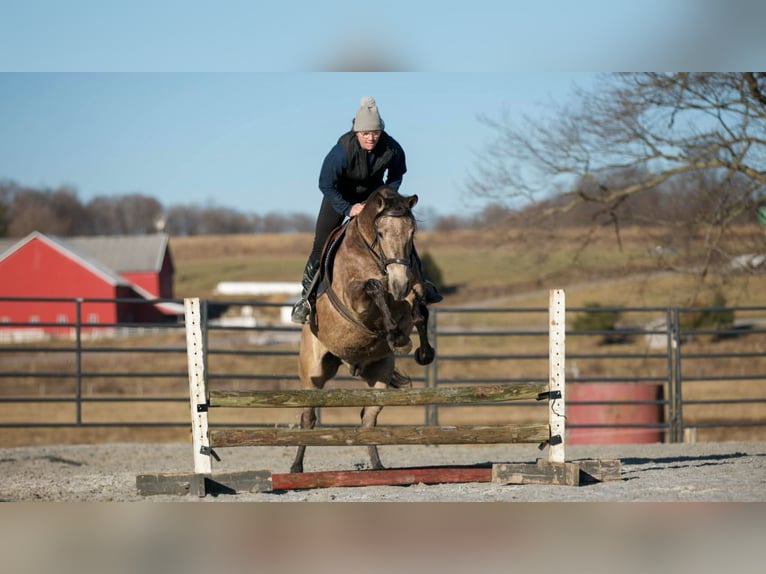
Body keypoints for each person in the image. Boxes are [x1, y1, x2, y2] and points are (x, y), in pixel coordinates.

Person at [291, 96, 441, 324]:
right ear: (356, 132)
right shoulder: (340, 152)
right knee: (320, 244)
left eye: (375, 133)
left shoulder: (392, 148)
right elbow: (325, 184)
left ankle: (422, 284)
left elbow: (397, 173)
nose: (371, 138)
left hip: (373, 194)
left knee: (398, 234)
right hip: (339, 196)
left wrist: (386, 197)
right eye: (365, 134)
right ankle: (306, 299)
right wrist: (349, 208)